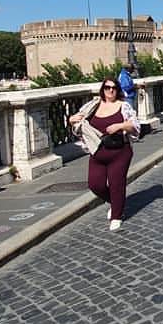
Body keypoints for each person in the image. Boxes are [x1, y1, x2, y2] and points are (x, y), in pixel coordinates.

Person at [70, 78, 141, 231]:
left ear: (118, 90)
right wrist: (71, 119)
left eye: (114, 88)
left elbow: (135, 125)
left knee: (116, 184)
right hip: (97, 151)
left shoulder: (124, 106)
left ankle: (117, 215)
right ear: (102, 89)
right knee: (95, 185)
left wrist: (120, 125)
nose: (111, 90)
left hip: (120, 151)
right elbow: (77, 119)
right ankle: (117, 203)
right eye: (107, 87)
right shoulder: (92, 105)